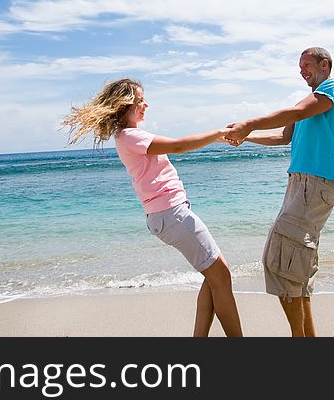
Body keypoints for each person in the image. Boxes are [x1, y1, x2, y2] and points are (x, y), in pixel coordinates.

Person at [62, 78, 243, 337]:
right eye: (139, 101)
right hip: (172, 215)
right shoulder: (130, 137)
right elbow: (180, 146)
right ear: (125, 105)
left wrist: (221, 139)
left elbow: (180, 144)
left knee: (214, 277)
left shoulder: (128, 137)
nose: (145, 105)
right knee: (222, 276)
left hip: (167, 215)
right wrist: (218, 132)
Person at [224, 47, 334, 337]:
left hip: (313, 184)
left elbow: (297, 112)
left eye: (307, 65)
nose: (302, 71)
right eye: (299, 67)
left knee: (281, 263)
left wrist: (249, 123)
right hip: (300, 186)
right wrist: (246, 136)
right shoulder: (307, 103)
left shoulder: (333, 88)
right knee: (297, 271)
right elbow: (283, 136)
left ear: (324, 65)